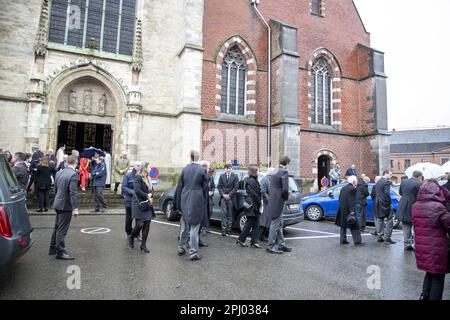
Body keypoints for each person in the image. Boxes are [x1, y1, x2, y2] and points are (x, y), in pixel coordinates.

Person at [412, 179, 450, 300]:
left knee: (429, 272)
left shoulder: (416, 206)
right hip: (437, 248)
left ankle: (425, 296)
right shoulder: (438, 207)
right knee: (438, 276)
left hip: (422, 247)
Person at [175, 150, 208, 261]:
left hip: (185, 198)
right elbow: (205, 187)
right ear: (198, 158)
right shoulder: (202, 170)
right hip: (197, 199)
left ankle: (181, 247)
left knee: (184, 225)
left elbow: (181, 185)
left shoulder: (185, 169)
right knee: (194, 227)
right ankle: (193, 252)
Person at [49, 155, 79, 260]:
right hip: (66, 205)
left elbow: (56, 189)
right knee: (62, 229)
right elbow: (73, 193)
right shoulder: (74, 175)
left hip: (58, 203)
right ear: (76, 163)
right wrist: (75, 208)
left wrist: (57, 200)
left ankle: (52, 248)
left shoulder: (59, 172)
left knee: (57, 227)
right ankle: (60, 252)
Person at [266, 156, 292, 254]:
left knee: (279, 223)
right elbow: (285, 189)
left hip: (273, 199)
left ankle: (281, 244)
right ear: (287, 163)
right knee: (275, 224)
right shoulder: (284, 172)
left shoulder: (275, 170)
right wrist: (286, 197)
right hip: (279, 201)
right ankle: (270, 246)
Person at [128, 163, 155, 253]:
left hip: (146, 204)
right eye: (149, 167)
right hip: (138, 204)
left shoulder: (148, 178)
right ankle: (131, 236)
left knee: (147, 223)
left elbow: (151, 190)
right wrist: (147, 195)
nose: (151, 168)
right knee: (140, 224)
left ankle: (143, 245)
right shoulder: (138, 177)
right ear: (145, 168)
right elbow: (137, 191)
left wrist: (151, 193)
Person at [237, 166, 262, 248]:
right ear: (254, 171)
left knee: (256, 224)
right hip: (252, 206)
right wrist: (259, 201)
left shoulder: (254, 180)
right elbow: (253, 194)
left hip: (255, 205)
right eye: (258, 170)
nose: (258, 172)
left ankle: (254, 242)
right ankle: (241, 240)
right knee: (249, 223)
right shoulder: (250, 181)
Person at [397, 171, 423, 251]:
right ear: (419, 177)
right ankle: (415, 244)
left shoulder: (404, 182)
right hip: (414, 206)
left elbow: (400, 192)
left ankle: (407, 244)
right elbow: (421, 195)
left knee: (406, 226)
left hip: (403, 205)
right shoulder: (418, 184)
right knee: (416, 227)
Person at [335, 176, 364, 245]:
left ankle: (343, 240)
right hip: (349, 210)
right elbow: (352, 201)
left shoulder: (343, 188)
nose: (356, 182)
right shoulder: (352, 189)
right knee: (354, 225)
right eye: (356, 181)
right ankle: (357, 241)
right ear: (354, 182)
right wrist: (352, 211)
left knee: (343, 225)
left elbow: (340, 198)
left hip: (342, 209)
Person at [374, 170, 396, 244]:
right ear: (385, 174)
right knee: (390, 220)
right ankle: (387, 237)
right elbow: (387, 194)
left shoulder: (378, 182)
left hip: (378, 203)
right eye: (390, 174)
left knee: (380, 219)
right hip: (385, 204)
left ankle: (380, 236)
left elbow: (374, 193)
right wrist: (389, 203)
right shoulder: (386, 182)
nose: (391, 176)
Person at [217, 164, 239, 236]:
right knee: (223, 214)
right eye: (227, 168)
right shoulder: (221, 176)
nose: (229, 169)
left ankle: (229, 230)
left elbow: (236, 187)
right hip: (223, 198)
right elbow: (219, 186)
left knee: (230, 214)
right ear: (225, 169)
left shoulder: (235, 176)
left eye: (230, 168)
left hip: (231, 198)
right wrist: (223, 194)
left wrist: (229, 195)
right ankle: (223, 230)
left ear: (231, 169)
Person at [122, 161, 141, 239]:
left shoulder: (141, 176)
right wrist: (134, 192)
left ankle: (137, 234)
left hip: (138, 201)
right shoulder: (128, 175)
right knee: (129, 218)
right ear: (134, 166)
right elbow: (124, 187)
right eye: (138, 165)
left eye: (140, 165)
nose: (139, 167)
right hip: (129, 200)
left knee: (138, 218)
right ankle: (129, 232)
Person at [259, 167, 275, 241]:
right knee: (264, 219)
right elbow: (263, 191)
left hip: (270, 202)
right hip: (266, 202)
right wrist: (269, 200)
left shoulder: (272, 179)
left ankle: (264, 235)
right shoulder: (265, 179)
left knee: (268, 220)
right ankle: (261, 235)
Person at [203, 166, 215, 233]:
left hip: (209, 197)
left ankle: (206, 227)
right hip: (204, 197)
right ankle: (203, 227)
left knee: (209, 212)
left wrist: (212, 192)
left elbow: (213, 186)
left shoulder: (211, 178)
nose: (212, 174)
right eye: (211, 173)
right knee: (204, 213)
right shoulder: (204, 177)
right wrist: (206, 192)